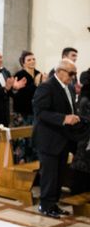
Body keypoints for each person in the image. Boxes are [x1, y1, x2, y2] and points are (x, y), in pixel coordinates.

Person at [32, 59, 86, 218]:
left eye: (75, 74)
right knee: (49, 175)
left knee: (59, 174)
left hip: (63, 139)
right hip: (48, 139)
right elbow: (40, 112)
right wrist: (64, 118)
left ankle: (53, 204)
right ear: (60, 71)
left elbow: (69, 108)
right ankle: (45, 205)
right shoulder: (46, 87)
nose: (73, 77)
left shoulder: (68, 87)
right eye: (71, 73)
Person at [12, 51, 42, 163]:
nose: (32, 61)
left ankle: (33, 161)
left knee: (34, 138)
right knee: (21, 139)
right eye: (29, 60)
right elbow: (19, 95)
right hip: (22, 112)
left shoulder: (39, 74)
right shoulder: (19, 75)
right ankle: (21, 161)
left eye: (33, 59)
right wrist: (34, 84)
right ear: (23, 63)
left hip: (35, 112)